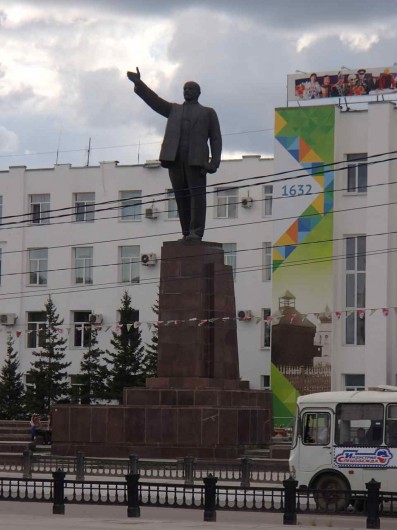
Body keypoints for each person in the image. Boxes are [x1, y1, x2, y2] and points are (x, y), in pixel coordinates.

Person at [127, 67, 222, 242]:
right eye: (185, 88)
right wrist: (139, 84)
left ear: (198, 93)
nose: (187, 91)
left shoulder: (208, 112)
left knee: (197, 197)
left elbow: (215, 139)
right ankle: (186, 232)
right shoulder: (174, 110)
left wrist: (214, 163)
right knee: (181, 197)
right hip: (176, 160)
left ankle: (196, 232)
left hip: (197, 162)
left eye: (191, 89)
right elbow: (155, 101)